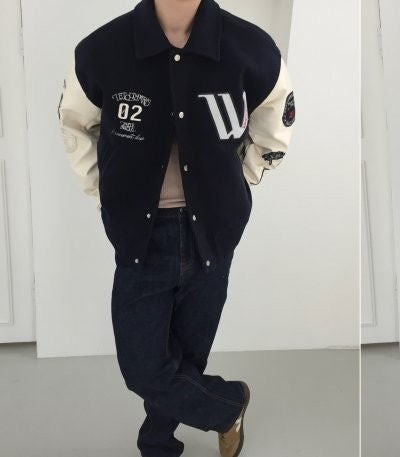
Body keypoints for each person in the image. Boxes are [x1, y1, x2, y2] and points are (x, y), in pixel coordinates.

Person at [57, 0, 295, 455]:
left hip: (214, 233)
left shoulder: (251, 48)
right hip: (142, 237)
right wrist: (106, 192)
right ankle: (228, 405)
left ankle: (157, 443)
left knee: (187, 355)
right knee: (143, 367)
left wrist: (238, 182)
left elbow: (275, 123)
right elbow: (75, 126)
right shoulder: (101, 49)